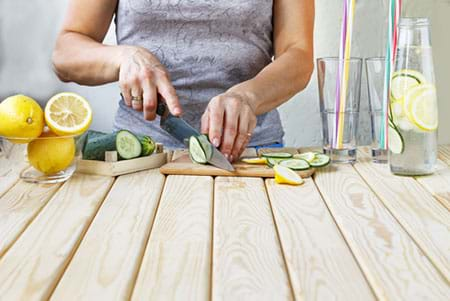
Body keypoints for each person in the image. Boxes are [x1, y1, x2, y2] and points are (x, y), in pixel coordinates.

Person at [52, 0, 314, 162]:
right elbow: (66, 53)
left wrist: (248, 96)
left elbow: (298, 54)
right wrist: (124, 57)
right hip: (139, 154)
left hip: (249, 151)